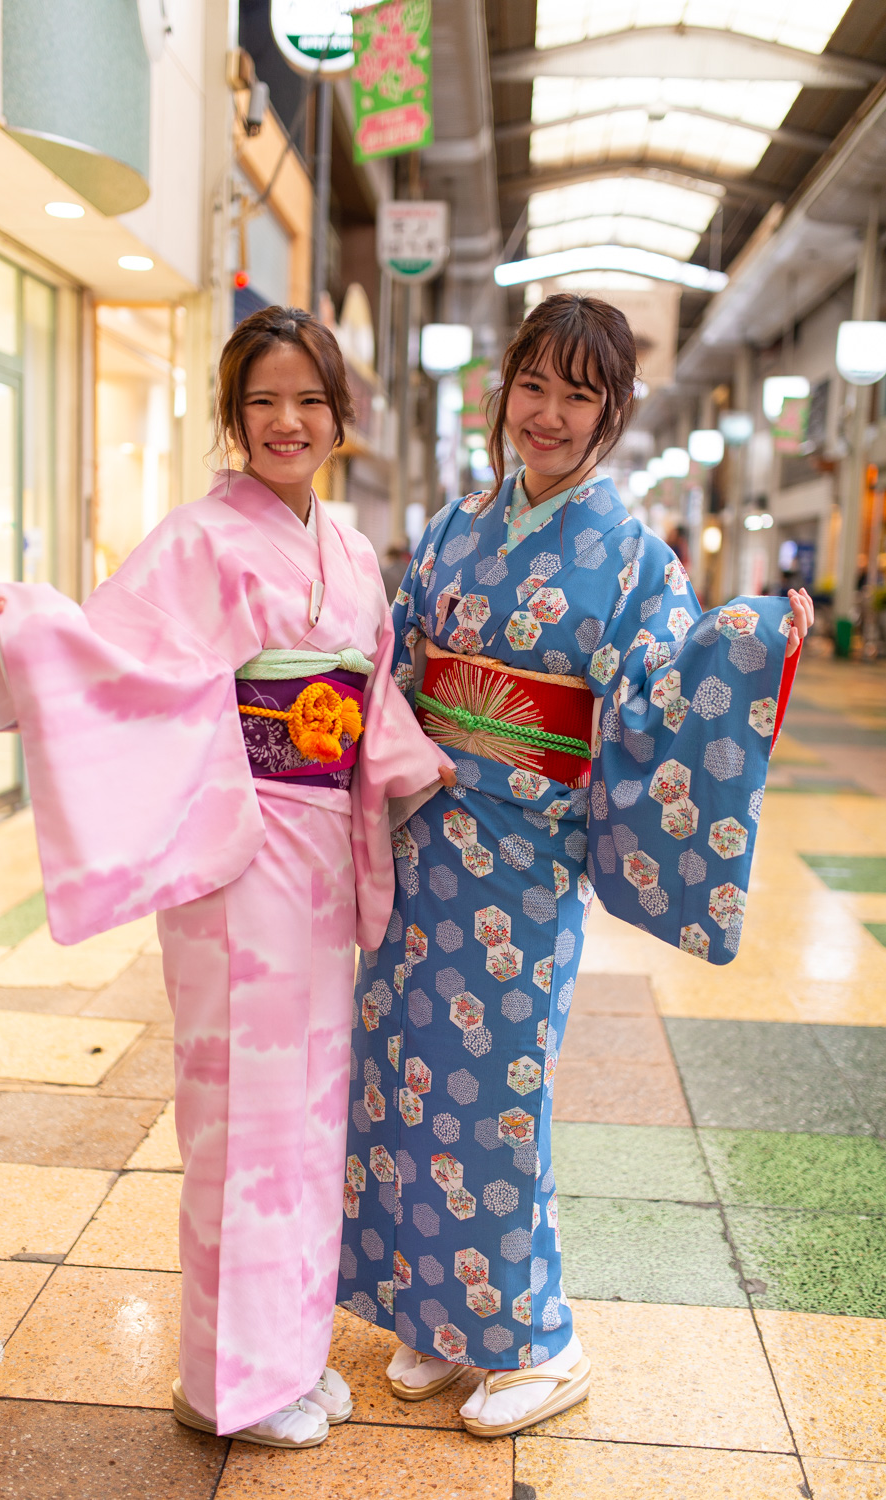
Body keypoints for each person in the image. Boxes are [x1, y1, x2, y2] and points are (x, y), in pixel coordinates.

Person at [0, 306, 454, 1450]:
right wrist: (22, 629)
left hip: (320, 851)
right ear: (234, 417)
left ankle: (283, 1356)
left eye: (307, 400)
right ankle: (221, 1380)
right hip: (235, 855)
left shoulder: (350, 551)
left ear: (339, 416)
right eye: (262, 400)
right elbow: (113, 660)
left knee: (305, 1118)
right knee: (240, 1119)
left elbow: (368, 693)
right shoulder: (197, 539)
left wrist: (420, 769)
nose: (286, 421)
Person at [337, 293, 813, 1439]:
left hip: (517, 870)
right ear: (502, 388)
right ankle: (438, 1317)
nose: (545, 416)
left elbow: (659, 689)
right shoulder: (454, 529)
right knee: (401, 1077)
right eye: (531, 387)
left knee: (495, 1096)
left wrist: (747, 641)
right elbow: (389, 656)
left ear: (611, 414)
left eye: (576, 396)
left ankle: (539, 1339)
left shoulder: (632, 557)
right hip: (417, 855)